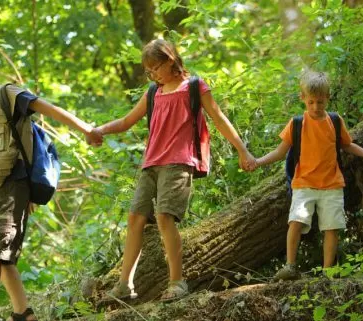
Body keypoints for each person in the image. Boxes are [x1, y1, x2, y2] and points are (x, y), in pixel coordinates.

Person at [92, 39, 256, 301]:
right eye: (148, 71)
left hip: (179, 160)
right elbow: (126, 121)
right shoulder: (152, 93)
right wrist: (100, 130)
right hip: (151, 163)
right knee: (135, 218)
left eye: (155, 67)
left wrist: (242, 150)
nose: (153, 74)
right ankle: (124, 285)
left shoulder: (194, 87)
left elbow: (218, 118)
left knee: (164, 217)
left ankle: (177, 283)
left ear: (171, 60)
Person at [0, 61, 103, 321]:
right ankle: (23, 313)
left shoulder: (7, 94)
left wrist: (86, 129)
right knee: (2, 253)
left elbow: (47, 108)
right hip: (4, 189)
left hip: (11, 185)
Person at [250, 70, 363, 280]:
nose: (316, 107)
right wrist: (257, 161)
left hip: (332, 184)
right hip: (303, 184)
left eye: (321, 102)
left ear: (328, 98)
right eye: (311, 102)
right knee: (295, 222)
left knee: (332, 227)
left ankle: (327, 272)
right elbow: (280, 152)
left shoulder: (334, 121)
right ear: (303, 98)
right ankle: (290, 266)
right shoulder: (297, 124)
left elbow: (347, 144)